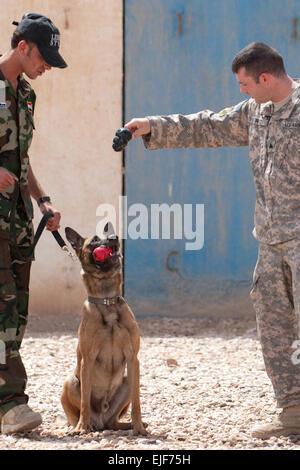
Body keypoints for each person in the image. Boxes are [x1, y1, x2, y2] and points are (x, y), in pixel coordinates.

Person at [125, 42, 300, 439]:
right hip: (271, 241)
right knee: (275, 326)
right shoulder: (256, 111)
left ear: (266, 78)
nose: (241, 92)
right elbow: (210, 125)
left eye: (244, 84)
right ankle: (293, 412)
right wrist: (153, 125)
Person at [0, 13, 66, 434]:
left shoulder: (25, 94)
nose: (47, 67)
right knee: (3, 307)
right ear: (23, 47)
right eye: (44, 57)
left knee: (16, 311)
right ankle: (10, 404)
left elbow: (20, 159)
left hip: (18, 218)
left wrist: (41, 200)